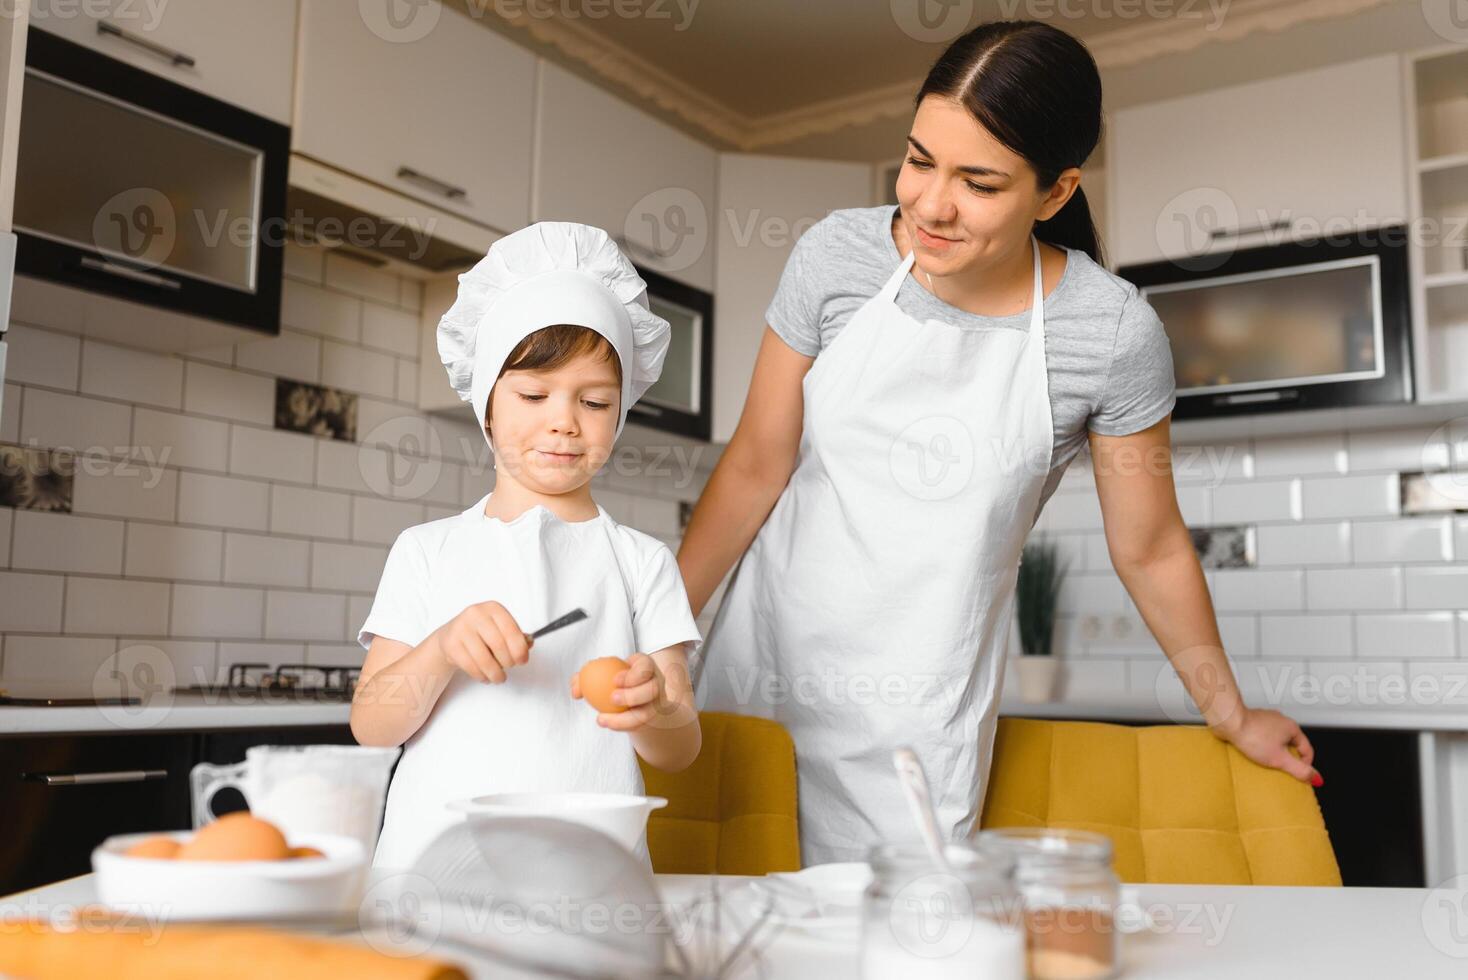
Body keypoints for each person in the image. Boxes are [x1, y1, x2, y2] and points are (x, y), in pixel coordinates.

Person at [680, 21, 1320, 866]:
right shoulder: (836, 256)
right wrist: (653, 632)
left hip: (917, 720)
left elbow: (1153, 547)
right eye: (918, 160)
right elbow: (756, 463)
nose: (932, 205)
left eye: (979, 183)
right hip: (755, 674)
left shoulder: (1111, 333)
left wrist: (1230, 712)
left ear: (1055, 193)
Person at [351, 222, 703, 870]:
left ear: (621, 413)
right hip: (433, 879)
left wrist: (654, 706)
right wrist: (440, 648)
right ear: (487, 403)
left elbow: (679, 750)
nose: (564, 420)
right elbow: (373, 726)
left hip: (588, 887)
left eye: (595, 402)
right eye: (534, 394)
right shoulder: (426, 551)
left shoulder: (642, 562)